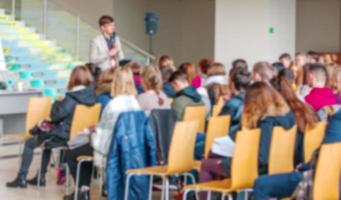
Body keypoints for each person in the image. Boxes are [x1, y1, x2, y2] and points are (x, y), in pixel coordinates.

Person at [199, 82, 296, 199]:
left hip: (253, 169)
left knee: (206, 164)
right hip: (280, 168)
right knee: (215, 159)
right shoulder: (288, 119)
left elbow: (262, 158)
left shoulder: (266, 123)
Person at [6, 66, 96, 189]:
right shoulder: (93, 97)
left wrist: (59, 102)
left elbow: (54, 116)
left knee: (30, 143)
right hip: (81, 138)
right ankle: (41, 177)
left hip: (64, 136)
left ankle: (21, 178)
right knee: (48, 141)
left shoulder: (71, 98)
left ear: (73, 79)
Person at [253, 107, 341, 200]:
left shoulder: (338, 118)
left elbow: (329, 154)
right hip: (329, 179)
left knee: (262, 184)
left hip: (326, 180)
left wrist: (305, 166)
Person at [91, 68, 141, 169]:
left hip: (114, 155)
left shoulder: (112, 105)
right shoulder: (137, 105)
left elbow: (101, 142)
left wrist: (92, 135)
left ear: (114, 83)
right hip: (133, 154)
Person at [219, 67, 251, 140]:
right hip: (246, 139)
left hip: (231, 139)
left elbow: (219, 123)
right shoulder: (253, 99)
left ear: (232, 84)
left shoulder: (233, 103)